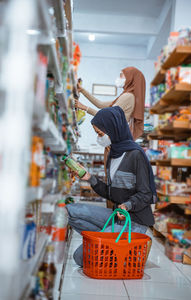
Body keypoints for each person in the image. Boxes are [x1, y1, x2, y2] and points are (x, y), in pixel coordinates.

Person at [66, 106, 157, 267]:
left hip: (134, 222)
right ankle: (109, 242)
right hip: (116, 217)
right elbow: (111, 194)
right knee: (69, 211)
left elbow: (146, 194)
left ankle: (118, 248)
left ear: (113, 129)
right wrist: (88, 177)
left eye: (100, 133)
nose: (99, 138)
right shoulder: (113, 154)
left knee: (80, 258)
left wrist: (126, 206)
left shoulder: (135, 155)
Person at [76, 66, 145, 140]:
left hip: (117, 136)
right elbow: (100, 104)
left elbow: (109, 118)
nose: (119, 78)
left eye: (121, 76)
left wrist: (86, 108)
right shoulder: (125, 95)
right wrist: (82, 90)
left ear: (130, 78)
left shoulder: (128, 96)